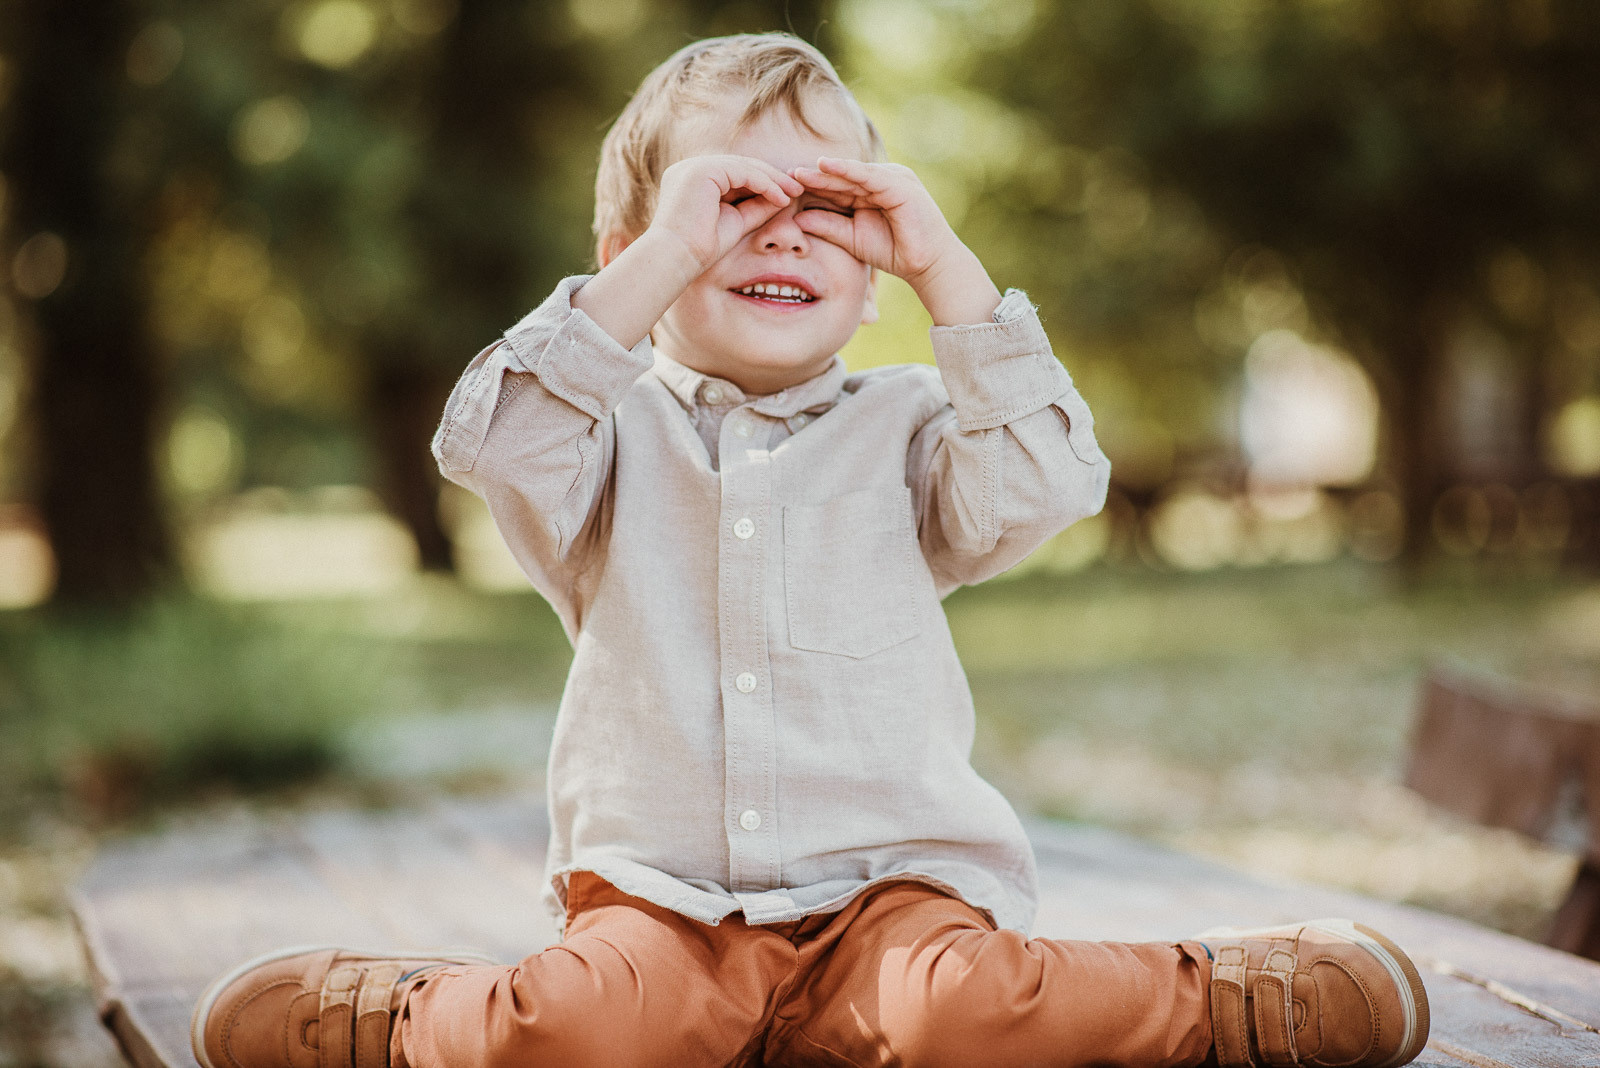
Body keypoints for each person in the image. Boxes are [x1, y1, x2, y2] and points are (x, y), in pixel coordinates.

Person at [191, 32, 1429, 1068]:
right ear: (636, 252)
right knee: (571, 1035)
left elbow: (1050, 484)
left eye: (829, 207)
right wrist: (662, 255)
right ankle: (400, 1018)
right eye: (729, 204)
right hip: (661, 908)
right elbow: (491, 441)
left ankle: (1225, 996)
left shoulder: (907, 427)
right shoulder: (597, 436)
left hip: (892, 904)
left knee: (961, 1017)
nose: (783, 234)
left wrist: (945, 265)